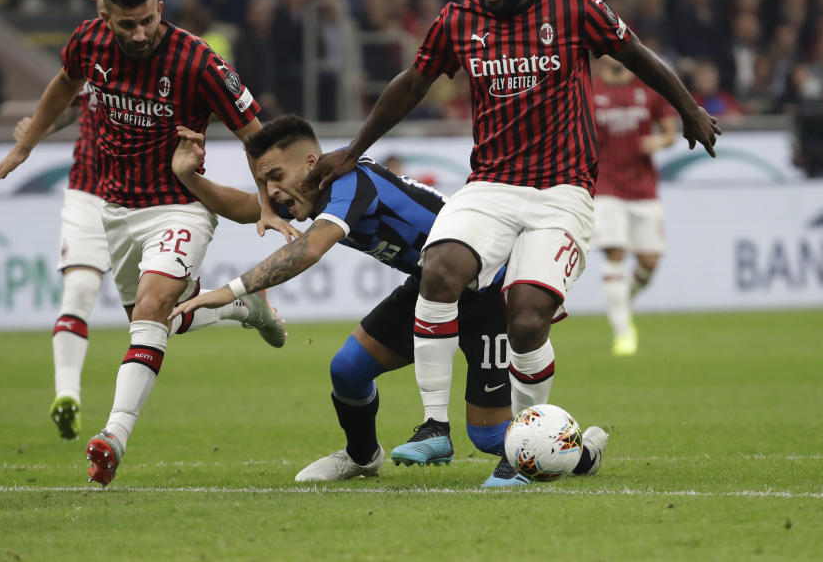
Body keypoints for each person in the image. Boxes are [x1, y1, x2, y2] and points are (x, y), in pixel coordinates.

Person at [307, 0, 720, 464]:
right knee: (438, 270)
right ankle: (433, 427)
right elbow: (411, 85)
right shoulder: (456, 21)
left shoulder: (576, 9)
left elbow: (636, 55)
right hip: (490, 186)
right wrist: (352, 151)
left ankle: (529, 450)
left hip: (562, 192)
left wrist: (688, 109)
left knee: (526, 319)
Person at [167, 115, 607, 487]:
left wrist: (226, 293)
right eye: (264, 181)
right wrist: (191, 177)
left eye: (276, 177)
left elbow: (311, 249)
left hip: (488, 292)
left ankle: (583, 452)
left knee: (493, 438)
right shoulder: (309, 193)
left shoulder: (354, 180)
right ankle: (362, 457)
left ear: (311, 162)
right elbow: (244, 206)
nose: (271, 192)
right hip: (430, 288)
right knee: (347, 369)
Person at [0, 0, 289, 486]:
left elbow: (255, 134)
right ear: (106, 18)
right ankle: (241, 306)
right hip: (116, 210)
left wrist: (268, 200)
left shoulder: (199, 61)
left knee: (150, 306)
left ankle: (112, 438)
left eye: (148, 21)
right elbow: (63, 84)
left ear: (160, 10)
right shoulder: (87, 42)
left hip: (179, 204)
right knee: (154, 321)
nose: (140, 33)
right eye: (128, 25)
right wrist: (25, 144)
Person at [591, 56, 677, 356]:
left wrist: (660, 141)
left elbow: (670, 130)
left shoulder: (647, 88)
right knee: (616, 251)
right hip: (606, 185)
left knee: (650, 262)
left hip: (643, 186)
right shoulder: (590, 91)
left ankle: (621, 300)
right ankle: (623, 332)